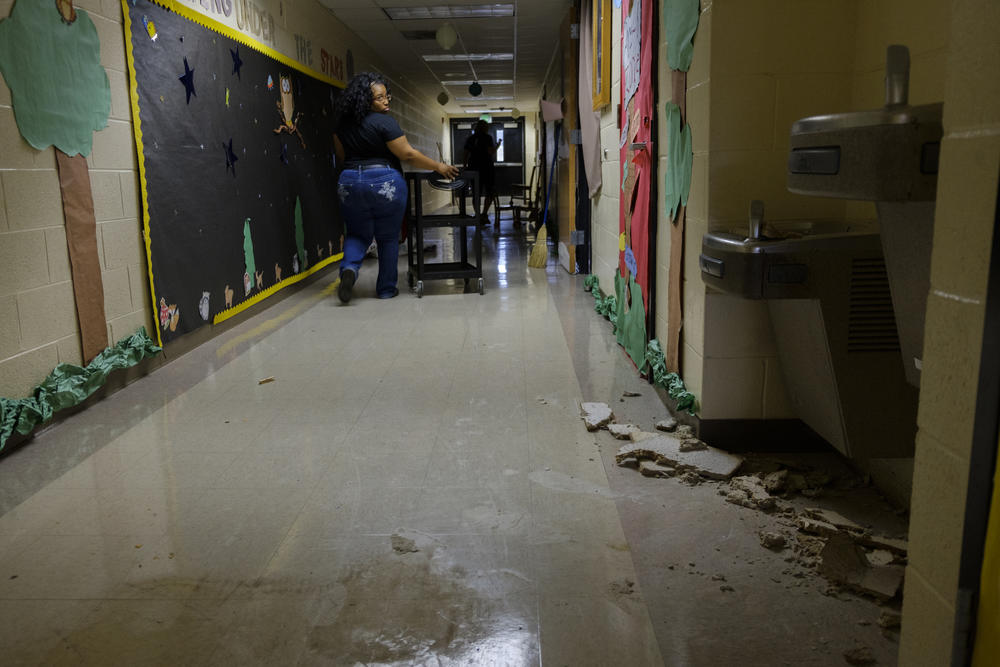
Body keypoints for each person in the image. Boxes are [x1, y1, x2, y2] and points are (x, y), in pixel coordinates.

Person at [333, 72, 458, 303]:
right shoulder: (385, 122)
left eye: (386, 96)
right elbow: (408, 154)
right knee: (388, 237)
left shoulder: (341, 125)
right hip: (385, 181)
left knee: (357, 234)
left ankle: (349, 270)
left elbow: (341, 157)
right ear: (364, 100)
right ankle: (386, 289)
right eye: (379, 98)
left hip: (349, 181)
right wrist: (439, 166)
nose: (386, 101)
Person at [463, 120, 502, 229]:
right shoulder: (487, 138)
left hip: (473, 168)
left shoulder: (471, 138)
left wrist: (465, 166)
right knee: (490, 192)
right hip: (487, 168)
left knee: (476, 193)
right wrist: (498, 145)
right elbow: (491, 151)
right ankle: (484, 214)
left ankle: (478, 215)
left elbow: (465, 153)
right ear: (485, 128)